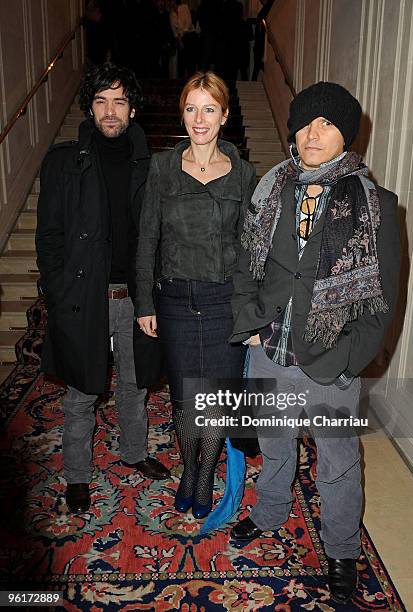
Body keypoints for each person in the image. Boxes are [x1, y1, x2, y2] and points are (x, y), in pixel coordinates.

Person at [229, 82, 401, 604]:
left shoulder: (377, 205)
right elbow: (245, 265)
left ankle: (343, 549)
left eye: (326, 123)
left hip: (333, 357)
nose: (313, 132)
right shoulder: (270, 189)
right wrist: (251, 326)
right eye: (305, 122)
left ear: (346, 135)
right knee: (275, 443)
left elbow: (383, 298)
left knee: (339, 461)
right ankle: (270, 511)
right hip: (271, 347)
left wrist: (349, 359)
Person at [36, 63, 170, 515]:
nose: (110, 111)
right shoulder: (62, 161)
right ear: (89, 108)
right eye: (101, 101)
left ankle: (134, 452)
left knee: (135, 386)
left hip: (135, 297)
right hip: (83, 295)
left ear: (132, 109)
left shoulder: (152, 166)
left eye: (119, 101)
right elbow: (48, 235)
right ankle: (76, 475)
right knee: (83, 390)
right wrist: (57, 290)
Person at [135, 72, 257, 519]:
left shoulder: (243, 173)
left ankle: (204, 474)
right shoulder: (162, 168)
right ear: (182, 114)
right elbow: (148, 237)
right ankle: (190, 468)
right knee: (187, 398)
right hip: (175, 301)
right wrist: (145, 302)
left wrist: (250, 310)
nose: (199, 118)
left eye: (209, 108)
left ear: (224, 115)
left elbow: (250, 248)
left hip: (224, 300)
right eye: (191, 108)